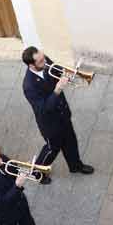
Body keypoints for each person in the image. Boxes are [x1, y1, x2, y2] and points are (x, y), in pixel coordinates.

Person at [21, 46, 93, 176]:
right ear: (31, 65)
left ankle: (75, 166)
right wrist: (57, 90)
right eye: (41, 61)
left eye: (44, 58)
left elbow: (55, 69)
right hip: (50, 124)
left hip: (63, 114)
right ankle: (38, 173)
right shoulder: (29, 86)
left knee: (71, 141)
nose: (45, 62)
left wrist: (67, 75)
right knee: (52, 149)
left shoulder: (44, 60)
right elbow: (43, 108)